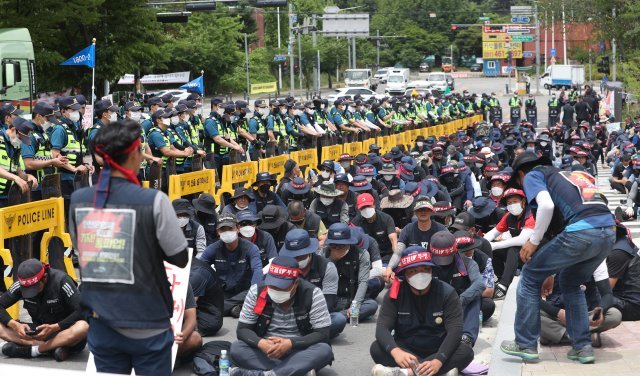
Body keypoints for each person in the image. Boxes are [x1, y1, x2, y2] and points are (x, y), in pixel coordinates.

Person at [69, 119, 189, 375]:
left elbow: (82, 250)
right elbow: (179, 257)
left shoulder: (79, 200)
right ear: (134, 154)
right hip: (148, 322)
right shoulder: (154, 200)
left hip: (101, 321)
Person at [500, 151, 616, 364]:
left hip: (582, 231)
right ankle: (583, 348)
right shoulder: (569, 177)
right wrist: (551, 270)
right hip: (608, 232)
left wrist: (533, 241)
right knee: (570, 282)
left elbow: (546, 206)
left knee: (528, 277)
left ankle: (525, 344)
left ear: (521, 175)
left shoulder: (534, 175)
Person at [369, 246, 474, 376]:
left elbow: (455, 331)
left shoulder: (447, 293)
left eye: (425, 269)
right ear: (405, 274)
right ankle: (438, 373)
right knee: (376, 348)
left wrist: (439, 360)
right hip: (406, 352)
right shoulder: (394, 294)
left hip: (438, 350)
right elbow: (382, 329)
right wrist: (396, 352)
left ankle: (406, 373)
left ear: (431, 271)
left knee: (466, 351)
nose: (420, 274)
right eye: (413, 271)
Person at [230, 256, 334, 376]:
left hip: (299, 350)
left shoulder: (313, 294)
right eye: (272, 286)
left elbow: (323, 334)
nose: (275, 290)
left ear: (295, 283)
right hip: (266, 351)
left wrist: (291, 343)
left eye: (281, 287)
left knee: (324, 350)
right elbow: (242, 330)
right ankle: (292, 371)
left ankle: (266, 374)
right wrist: (260, 343)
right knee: (237, 348)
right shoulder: (256, 291)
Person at [0, 259, 88, 361]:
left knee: (83, 326)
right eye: (27, 290)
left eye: (34, 288)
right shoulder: (21, 283)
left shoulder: (62, 281)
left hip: (64, 331)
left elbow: (83, 310)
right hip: (37, 333)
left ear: (45, 277)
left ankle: (34, 350)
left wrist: (56, 327)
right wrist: (15, 325)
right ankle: (54, 347)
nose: (32, 293)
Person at [279, 229, 345, 339]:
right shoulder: (283, 266)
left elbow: (329, 302)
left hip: (316, 314)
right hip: (290, 313)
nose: (297, 259)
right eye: (293, 256)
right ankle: (307, 337)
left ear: (309, 251)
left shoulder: (327, 267)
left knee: (338, 319)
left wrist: (306, 317)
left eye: (301, 256)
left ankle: (295, 337)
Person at [198, 213, 264, 318]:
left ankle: (225, 308)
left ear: (238, 228)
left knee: (258, 288)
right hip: (222, 292)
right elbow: (199, 270)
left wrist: (253, 294)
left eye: (230, 228)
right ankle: (236, 308)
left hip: (244, 292)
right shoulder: (213, 249)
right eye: (223, 230)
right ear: (218, 232)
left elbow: (257, 271)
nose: (227, 232)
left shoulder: (251, 248)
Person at [483, 188, 535, 298]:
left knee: (514, 248)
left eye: (515, 201)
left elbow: (522, 240)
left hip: (535, 254)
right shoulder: (508, 216)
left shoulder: (531, 215)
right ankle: (502, 277)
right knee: (493, 248)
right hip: (520, 255)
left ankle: (503, 286)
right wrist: (483, 243)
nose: (512, 205)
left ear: (523, 201)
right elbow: (493, 233)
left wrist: (495, 245)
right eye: (509, 203)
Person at [322, 223, 378, 322]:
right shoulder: (323, 254)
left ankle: (335, 317)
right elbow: (318, 279)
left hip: (352, 298)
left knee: (372, 306)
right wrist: (332, 260)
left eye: (341, 245)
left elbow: (363, 282)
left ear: (348, 243)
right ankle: (339, 317)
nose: (337, 249)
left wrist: (355, 305)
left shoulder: (362, 254)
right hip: (331, 299)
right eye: (333, 246)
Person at [385, 196, 448, 281]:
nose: (423, 212)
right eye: (420, 209)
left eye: (426, 209)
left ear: (431, 211)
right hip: (412, 269)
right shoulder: (407, 229)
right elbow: (398, 253)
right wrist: (389, 267)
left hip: (435, 269)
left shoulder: (442, 230)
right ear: (415, 212)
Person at [454, 231, 496, 324]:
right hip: (452, 298)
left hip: (470, 298)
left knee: (488, 305)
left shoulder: (484, 259)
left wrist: (464, 297)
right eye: (464, 251)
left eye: (471, 249)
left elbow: (489, 291)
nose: (469, 252)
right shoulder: (449, 259)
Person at [351, 193, 397, 264]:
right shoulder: (355, 223)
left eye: (368, 206)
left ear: (374, 205)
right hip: (367, 258)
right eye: (363, 207)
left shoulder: (386, 219)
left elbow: (393, 241)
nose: (366, 209)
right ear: (359, 209)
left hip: (386, 256)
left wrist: (396, 259)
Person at [176, 286, 203, 361]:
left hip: (172, 336)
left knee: (195, 338)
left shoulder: (182, 283)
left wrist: (183, 335)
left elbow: (191, 318)